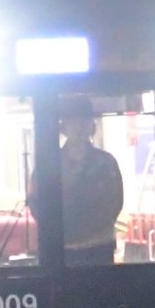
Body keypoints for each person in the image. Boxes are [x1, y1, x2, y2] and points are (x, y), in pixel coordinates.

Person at [58, 98, 124, 264]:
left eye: (84, 120)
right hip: (61, 248)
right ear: (63, 127)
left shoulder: (106, 162)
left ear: (91, 126)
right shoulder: (50, 165)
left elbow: (115, 201)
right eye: (72, 120)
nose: (79, 126)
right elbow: (38, 203)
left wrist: (93, 226)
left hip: (99, 246)